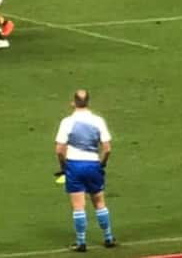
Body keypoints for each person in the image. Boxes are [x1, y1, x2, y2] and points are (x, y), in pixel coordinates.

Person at [55, 90, 117, 252]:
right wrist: (101, 164)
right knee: (99, 202)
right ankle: (108, 237)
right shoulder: (98, 121)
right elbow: (107, 149)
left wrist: (63, 167)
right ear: (88, 102)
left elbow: (60, 150)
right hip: (93, 165)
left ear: (73, 103)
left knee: (78, 206)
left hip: (74, 166)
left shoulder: (67, 122)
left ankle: (81, 242)